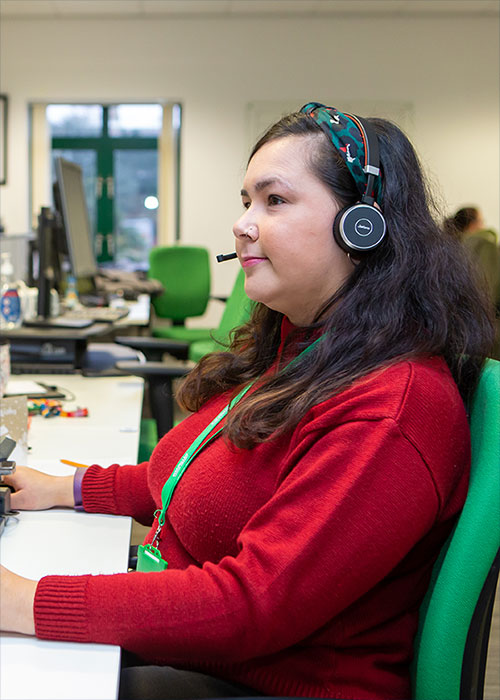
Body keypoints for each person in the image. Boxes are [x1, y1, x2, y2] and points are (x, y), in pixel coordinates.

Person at [0, 103, 496, 700]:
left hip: (276, 680)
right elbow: (189, 476)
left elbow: (253, 603)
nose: (242, 223)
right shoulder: (306, 349)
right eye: (245, 201)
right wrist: (65, 489)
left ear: (361, 225)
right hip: (215, 651)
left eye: (275, 200)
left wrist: (27, 600)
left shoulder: (389, 408)